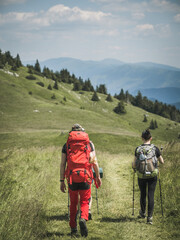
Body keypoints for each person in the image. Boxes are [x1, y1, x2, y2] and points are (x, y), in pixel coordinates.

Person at [60, 124, 102, 237]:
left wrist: (61, 180)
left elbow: (63, 164)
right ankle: (83, 218)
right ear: (83, 132)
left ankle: (73, 229)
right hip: (86, 176)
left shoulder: (67, 145)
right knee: (84, 201)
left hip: (72, 178)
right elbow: (94, 162)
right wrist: (97, 177)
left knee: (73, 203)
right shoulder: (89, 144)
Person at [132, 129, 164, 224]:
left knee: (143, 193)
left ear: (142, 138)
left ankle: (142, 213)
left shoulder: (138, 149)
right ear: (151, 138)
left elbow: (134, 164)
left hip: (141, 175)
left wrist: (134, 167)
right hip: (153, 175)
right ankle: (149, 217)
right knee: (151, 194)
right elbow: (162, 162)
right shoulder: (155, 149)